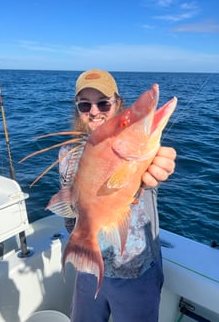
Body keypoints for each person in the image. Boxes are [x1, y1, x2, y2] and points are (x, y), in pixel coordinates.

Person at [59, 69, 176, 322]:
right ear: (77, 109)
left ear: (117, 103)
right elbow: (71, 219)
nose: (94, 111)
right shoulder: (67, 153)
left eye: (103, 103)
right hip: (87, 269)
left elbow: (151, 171)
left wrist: (159, 166)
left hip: (136, 270)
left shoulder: (140, 149)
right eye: (84, 104)